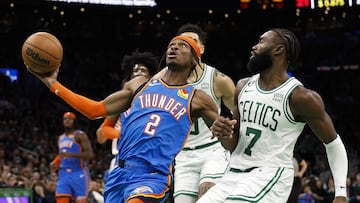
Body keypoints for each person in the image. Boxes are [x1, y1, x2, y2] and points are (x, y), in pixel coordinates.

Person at [26, 35, 220, 203]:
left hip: (151, 175)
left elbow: (227, 137)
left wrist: (227, 129)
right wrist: (53, 84)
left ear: (195, 60)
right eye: (171, 44)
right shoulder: (139, 87)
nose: (174, 47)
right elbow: (95, 111)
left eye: (183, 45)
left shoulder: (197, 98)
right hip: (119, 171)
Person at [199, 28, 348, 203]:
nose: (254, 47)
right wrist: (223, 132)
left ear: (279, 49)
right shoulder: (243, 86)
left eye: (261, 41)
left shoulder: (301, 96)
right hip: (234, 173)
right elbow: (234, 145)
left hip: (270, 174)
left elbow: (333, 143)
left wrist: (340, 193)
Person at [170, 23, 235, 203]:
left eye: (193, 41)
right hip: (183, 156)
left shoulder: (218, 80)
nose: (188, 45)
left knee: (207, 195)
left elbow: (240, 114)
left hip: (213, 150)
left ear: (202, 49)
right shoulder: (164, 80)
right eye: (182, 42)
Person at [96, 51, 158, 172]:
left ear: (151, 77)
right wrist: (117, 133)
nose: (138, 73)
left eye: (143, 70)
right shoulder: (121, 104)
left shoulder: (158, 101)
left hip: (149, 160)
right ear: (129, 78)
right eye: (135, 71)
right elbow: (100, 137)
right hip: (121, 162)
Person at [49, 112, 94, 203]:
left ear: (74, 121)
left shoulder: (80, 135)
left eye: (70, 119)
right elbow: (62, 155)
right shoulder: (60, 138)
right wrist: (55, 162)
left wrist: (71, 155)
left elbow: (90, 154)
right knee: (61, 199)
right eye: (65, 119)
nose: (67, 121)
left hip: (78, 173)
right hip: (64, 174)